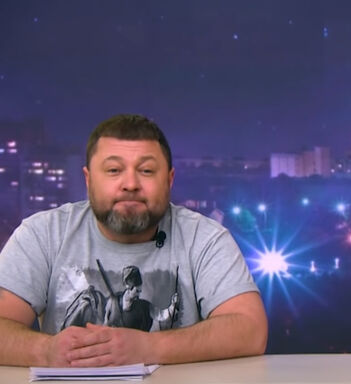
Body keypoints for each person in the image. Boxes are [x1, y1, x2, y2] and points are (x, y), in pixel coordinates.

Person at [0, 114, 267, 367]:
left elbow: (250, 330)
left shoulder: (205, 238)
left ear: (170, 180)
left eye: (147, 171)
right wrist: (46, 351)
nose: (130, 184)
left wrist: (150, 348)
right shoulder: (43, 234)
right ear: (88, 179)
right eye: (113, 170)